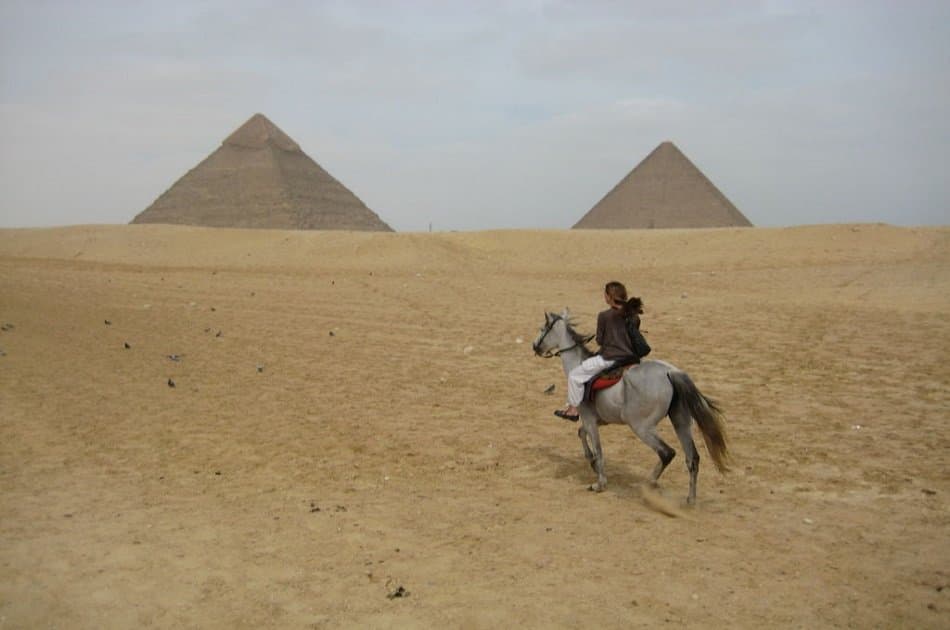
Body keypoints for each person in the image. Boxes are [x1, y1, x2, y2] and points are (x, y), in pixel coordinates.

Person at [554, 281, 644, 421]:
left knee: (575, 375)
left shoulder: (604, 315)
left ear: (609, 297)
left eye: (605, 294)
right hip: (631, 358)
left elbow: (600, 341)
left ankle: (572, 410)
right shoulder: (634, 316)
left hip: (610, 358)